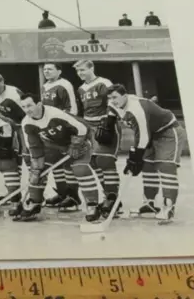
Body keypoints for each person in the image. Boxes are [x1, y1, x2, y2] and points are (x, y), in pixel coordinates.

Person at [106, 84, 186, 223]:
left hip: (168, 132)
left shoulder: (136, 108)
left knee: (165, 167)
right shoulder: (113, 104)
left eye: (115, 97)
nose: (112, 100)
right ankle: (149, 203)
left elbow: (143, 137)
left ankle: (169, 208)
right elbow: (113, 112)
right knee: (147, 166)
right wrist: (109, 121)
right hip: (150, 133)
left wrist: (134, 158)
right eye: (110, 97)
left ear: (125, 96)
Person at [17, 93, 102, 222]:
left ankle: (92, 205)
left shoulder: (55, 114)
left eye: (29, 105)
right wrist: (36, 169)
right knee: (38, 172)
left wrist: (76, 145)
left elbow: (82, 128)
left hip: (79, 141)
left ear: (39, 104)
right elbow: (35, 148)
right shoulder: (26, 123)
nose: (27, 110)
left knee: (80, 169)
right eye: (23, 107)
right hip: (55, 146)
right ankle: (34, 203)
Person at [73, 59, 122, 218]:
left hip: (104, 124)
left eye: (83, 70)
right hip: (89, 126)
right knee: (93, 162)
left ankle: (112, 198)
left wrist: (109, 121)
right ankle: (109, 196)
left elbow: (113, 103)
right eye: (78, 71)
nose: (80, 73)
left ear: (91, 68)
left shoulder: (103, 83)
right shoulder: (81, 88)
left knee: (105, 161)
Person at [40, 63, 79, 208]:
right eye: (44, 69)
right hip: (51, 129)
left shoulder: (64, 84)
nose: (46, 71)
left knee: (68, 163)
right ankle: (62, 193)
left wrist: (67, 127)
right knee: (56, 162)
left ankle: (73, 196)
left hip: (64, 128)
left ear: (59, 71)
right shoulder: (45, 86)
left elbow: (72, 107)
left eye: (50, 69)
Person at [0, 72, 27, 201]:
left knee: (23, 158)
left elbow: (28, 114)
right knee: (10, 159)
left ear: (2, 82)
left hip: (21, 128)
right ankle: (13, 191)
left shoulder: (14, 95)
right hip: (7, 128)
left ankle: (30, 193)